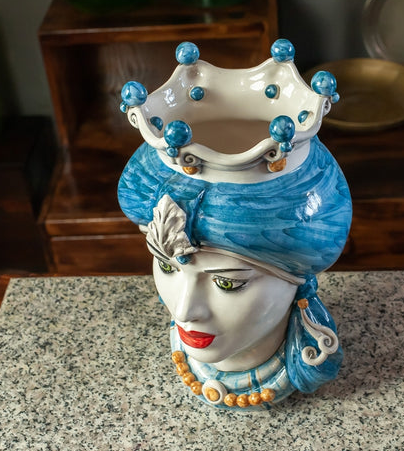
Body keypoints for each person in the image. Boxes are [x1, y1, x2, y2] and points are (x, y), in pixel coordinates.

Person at [118, 126, 352, 409]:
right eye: (168, 268)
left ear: (297, 278)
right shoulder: (185, 310)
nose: (183, 311)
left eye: (226, 283)